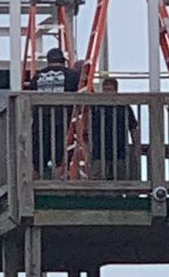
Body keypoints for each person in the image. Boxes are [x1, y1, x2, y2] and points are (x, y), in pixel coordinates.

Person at [30, 45, 79, 175]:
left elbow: (30, 94)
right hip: (63, 122)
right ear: (63, 61)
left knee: (39, 159)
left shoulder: (38, 76)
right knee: (61, 158)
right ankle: (59, 180)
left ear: (48, 60)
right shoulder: (72, 75)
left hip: (41, 122)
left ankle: (37, 180)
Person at [88, 74, 140, 180]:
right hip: (99, 152)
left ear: (116, 91)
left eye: (110, 90)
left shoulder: (124, 107)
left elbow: (133, 128)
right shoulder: (96, 107)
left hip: (120, 151)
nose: (107, 93)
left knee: (121, 179)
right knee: (97, 180)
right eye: (105, 90)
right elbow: (86, 127)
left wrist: (136, 148)